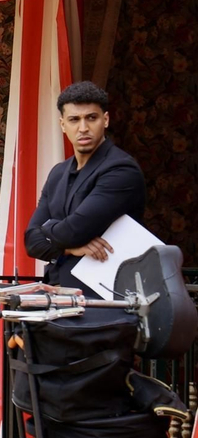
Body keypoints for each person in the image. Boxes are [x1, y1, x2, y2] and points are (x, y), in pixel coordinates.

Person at [25, 81, 146, 288]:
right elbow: (31, 242)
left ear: (105, 120)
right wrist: (69, 249)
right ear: (63, 125)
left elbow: (74, 231)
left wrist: (48, 228)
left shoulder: (121, 169)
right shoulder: (58, 173)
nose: (83, 128)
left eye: (91, 118)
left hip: (104, 299)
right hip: (57, 295)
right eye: (74, 119)